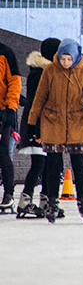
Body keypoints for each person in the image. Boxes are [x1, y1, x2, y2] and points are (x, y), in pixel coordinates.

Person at [25, 39, 83, 224]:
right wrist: (31, 122)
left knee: (79, 164)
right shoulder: (50, 71)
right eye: (62, 59)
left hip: (76, 123)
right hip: (53, 122)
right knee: (53, 164)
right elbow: (39, 98)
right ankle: (52, 201)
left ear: (75, 57)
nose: (65, 63)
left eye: (69, 59)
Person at [15, 37, 60, 218]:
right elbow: (36, 103)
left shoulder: (48, 72)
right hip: (37, 126)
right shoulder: (40, 73)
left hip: (46, 125)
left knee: (48, 164)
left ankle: (46, 202)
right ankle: (24, 202)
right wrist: (37, 130)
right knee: (39, 164)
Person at [0, 42, 20, 213]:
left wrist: (11, 108)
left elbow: (14, 81)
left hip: (2, 111)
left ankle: (8, 194)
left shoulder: (6, 53)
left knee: (3, 151)